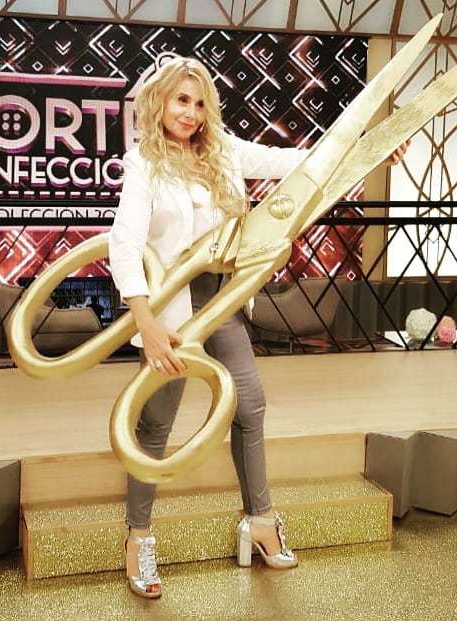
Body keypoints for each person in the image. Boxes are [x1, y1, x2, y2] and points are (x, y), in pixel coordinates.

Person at [108, 55, 408, 599]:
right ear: (159, 102)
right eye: (181, 100)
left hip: (221, 301)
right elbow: (124, 245)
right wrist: (146, 324)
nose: (191, 113)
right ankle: (139, 538)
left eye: (199, 103)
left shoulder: (223, 152)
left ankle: (261, 521)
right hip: (170, 309)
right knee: (155, 424)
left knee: (249, 405)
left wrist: (371, 147)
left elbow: (305, 160)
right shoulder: (144, 164)